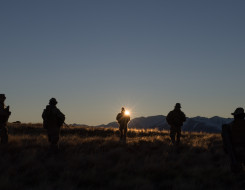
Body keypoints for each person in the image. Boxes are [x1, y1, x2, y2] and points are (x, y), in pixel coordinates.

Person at [222, 107, 245, 172]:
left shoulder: (229, 126)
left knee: (237, 171)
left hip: (235, 151)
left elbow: (226, 140)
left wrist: (226, 148)